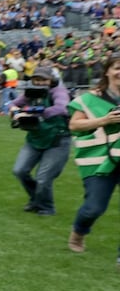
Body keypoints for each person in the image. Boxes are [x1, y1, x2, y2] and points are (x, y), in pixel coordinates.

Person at [66, 52, 120, 257]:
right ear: (107, 71)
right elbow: (74, 125)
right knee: (93, 209)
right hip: (99, 160)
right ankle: (78, 233)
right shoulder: (89, 99)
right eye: (117, 67)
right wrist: (104, 121)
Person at [7, 66, 71, 216]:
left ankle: (47, 207)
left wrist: (35, 113)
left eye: (43, 79)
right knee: (19, 170)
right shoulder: (31, 92)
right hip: (36, 137)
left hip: (57, 139)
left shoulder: (59, 91)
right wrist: (15, 111)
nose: (39, 82)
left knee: (43, 177)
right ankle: (36, 199)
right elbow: (12, 104)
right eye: (36, 79)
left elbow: (62, 108)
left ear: (51, 80)